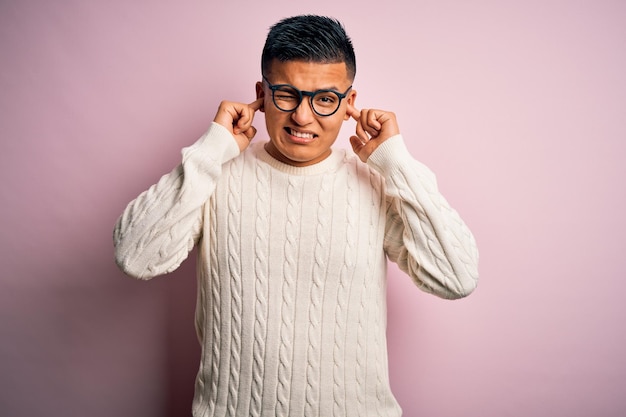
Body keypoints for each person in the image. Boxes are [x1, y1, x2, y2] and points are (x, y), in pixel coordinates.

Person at [113, 14, 478, 417]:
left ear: (349, 104)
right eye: (286, 94)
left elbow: (456, 278)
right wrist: (211, 149)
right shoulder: (214, 174)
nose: (303, 117)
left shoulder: (378, 183)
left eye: (325, 99)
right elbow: (135, 257)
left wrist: (398, 164)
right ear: (261, 94)